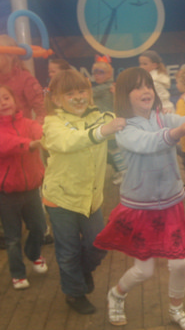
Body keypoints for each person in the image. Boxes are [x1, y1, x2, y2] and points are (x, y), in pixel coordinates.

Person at [96, 67, 185, 330]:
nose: (145, 91)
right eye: (137, 87)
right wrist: (177, 133)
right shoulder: (124, 127)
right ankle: (116, 294)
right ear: (124, 95)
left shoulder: (162, 117)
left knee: (180, 262)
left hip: (171, 202)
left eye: (148, 86)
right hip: (140, 206)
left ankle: (176, 309)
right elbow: (149, 142)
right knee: (144, 270)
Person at [41, 70, 126, 314]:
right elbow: (69, 141)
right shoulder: (53, 123)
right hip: (61, 199)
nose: (78, 97)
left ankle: (81, 271)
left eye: (82, 91)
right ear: (56, 99)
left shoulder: (101, 116)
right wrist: (102, 132)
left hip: (90, 199)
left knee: (98, 244)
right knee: (68, 251)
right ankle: (74, 293)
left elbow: (125, 122)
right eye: (69, 93)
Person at [0, 84, 49, 290]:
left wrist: (47, 131)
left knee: (39, 227)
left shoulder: (29, 124)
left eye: (6, 98)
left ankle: (33, 253)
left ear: (14, 100)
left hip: (31, 190)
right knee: (12, 238)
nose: (3, 103)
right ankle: (18, 274)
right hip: (8, 194)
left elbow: (41, 131)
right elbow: (4, 144)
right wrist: (29, 144)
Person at [0, 36, 47, 207]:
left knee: (30, 174)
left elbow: (41, 108)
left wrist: (37, 131)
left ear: (11, 55)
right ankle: (5, 215)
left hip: (25, 138)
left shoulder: (25, 78)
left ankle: (37, 214)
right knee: (1, 175)